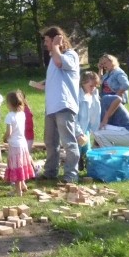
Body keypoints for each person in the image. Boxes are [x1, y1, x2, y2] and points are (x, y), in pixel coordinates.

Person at [35, 26, 81, 183]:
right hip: (52, 107)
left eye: (48, 41)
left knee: (68, 142)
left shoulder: (71, 55)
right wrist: (46, 83)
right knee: (50, 142)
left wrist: (55, 46)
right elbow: (60, 77)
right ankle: (50, 172)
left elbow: (61, 63)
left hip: (64, 106)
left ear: (57, 39)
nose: (46, 44)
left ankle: (71, 175)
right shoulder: (54, 57)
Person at [2, 91, 35, 196]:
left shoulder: (9, 116)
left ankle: (18, 190)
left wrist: (4, 138)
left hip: (15, 146)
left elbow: (9, 132)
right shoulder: (22, 114)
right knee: (21, 166)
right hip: (23, 144)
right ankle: (23, 185)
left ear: (10, 103)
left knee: (16, 168)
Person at [77, 71, 102, 170]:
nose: (93, 88)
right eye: (91, 86)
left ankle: (88, 165)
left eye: (95, 86)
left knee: (86, 147)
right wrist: (78, 131)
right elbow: (75, 116)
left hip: (87, 125)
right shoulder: (78, 96)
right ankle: (77, 162)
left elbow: (95, 111)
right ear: (83, 83)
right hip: (78, 125)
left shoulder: (94, 93)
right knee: (77, 147)